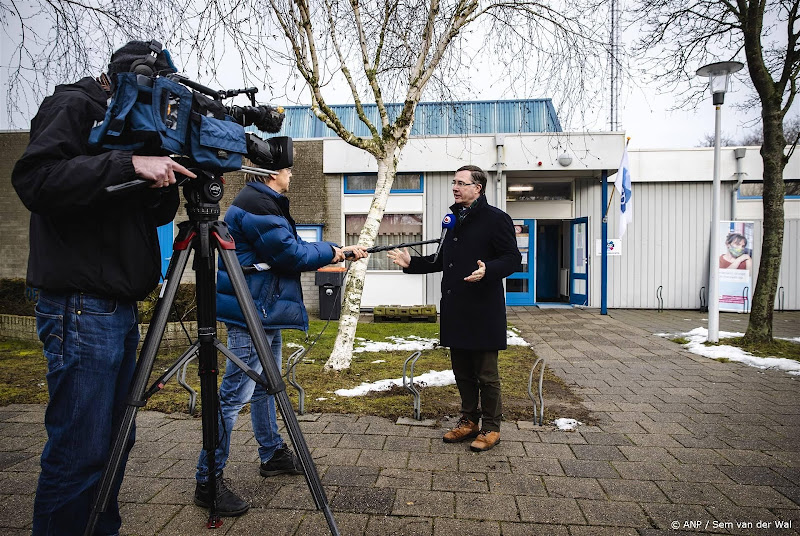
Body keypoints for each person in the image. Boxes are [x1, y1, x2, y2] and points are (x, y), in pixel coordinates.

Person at [11, 41, 195, 536]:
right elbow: (36, 181)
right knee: (80, 449)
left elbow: (148, 214)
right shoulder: (75, 105)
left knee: (115, 441)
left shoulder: (138, 129)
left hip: (116, 307)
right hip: (78, 305)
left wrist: (163, 175)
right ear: (130, 77)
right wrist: (129, 165)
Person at [193, 166, 368, 515]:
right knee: (232, 396)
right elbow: (292, 255)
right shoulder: (257, 205)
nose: (291, 175)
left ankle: (271, 453)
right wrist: (333, 253)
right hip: (251, 312)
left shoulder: (265, 203)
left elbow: (290, 248)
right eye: (288, 170)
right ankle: (207, 480)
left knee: (266, 387)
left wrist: (338, 250)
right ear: (272, 174)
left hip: (265, 309)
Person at [387, 165, 520, 452]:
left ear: (477, 188)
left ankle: (492, 427)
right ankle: (469, 421)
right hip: (456, 309)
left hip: (483, 309)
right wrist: (412, 263)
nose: (455, 188)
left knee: (486, 374)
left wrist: (489, 270)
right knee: (462, 372)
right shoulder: (453, 220)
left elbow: (512, 258)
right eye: (454, 183)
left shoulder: (497, 219)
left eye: (461, 183)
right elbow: (441, 260)